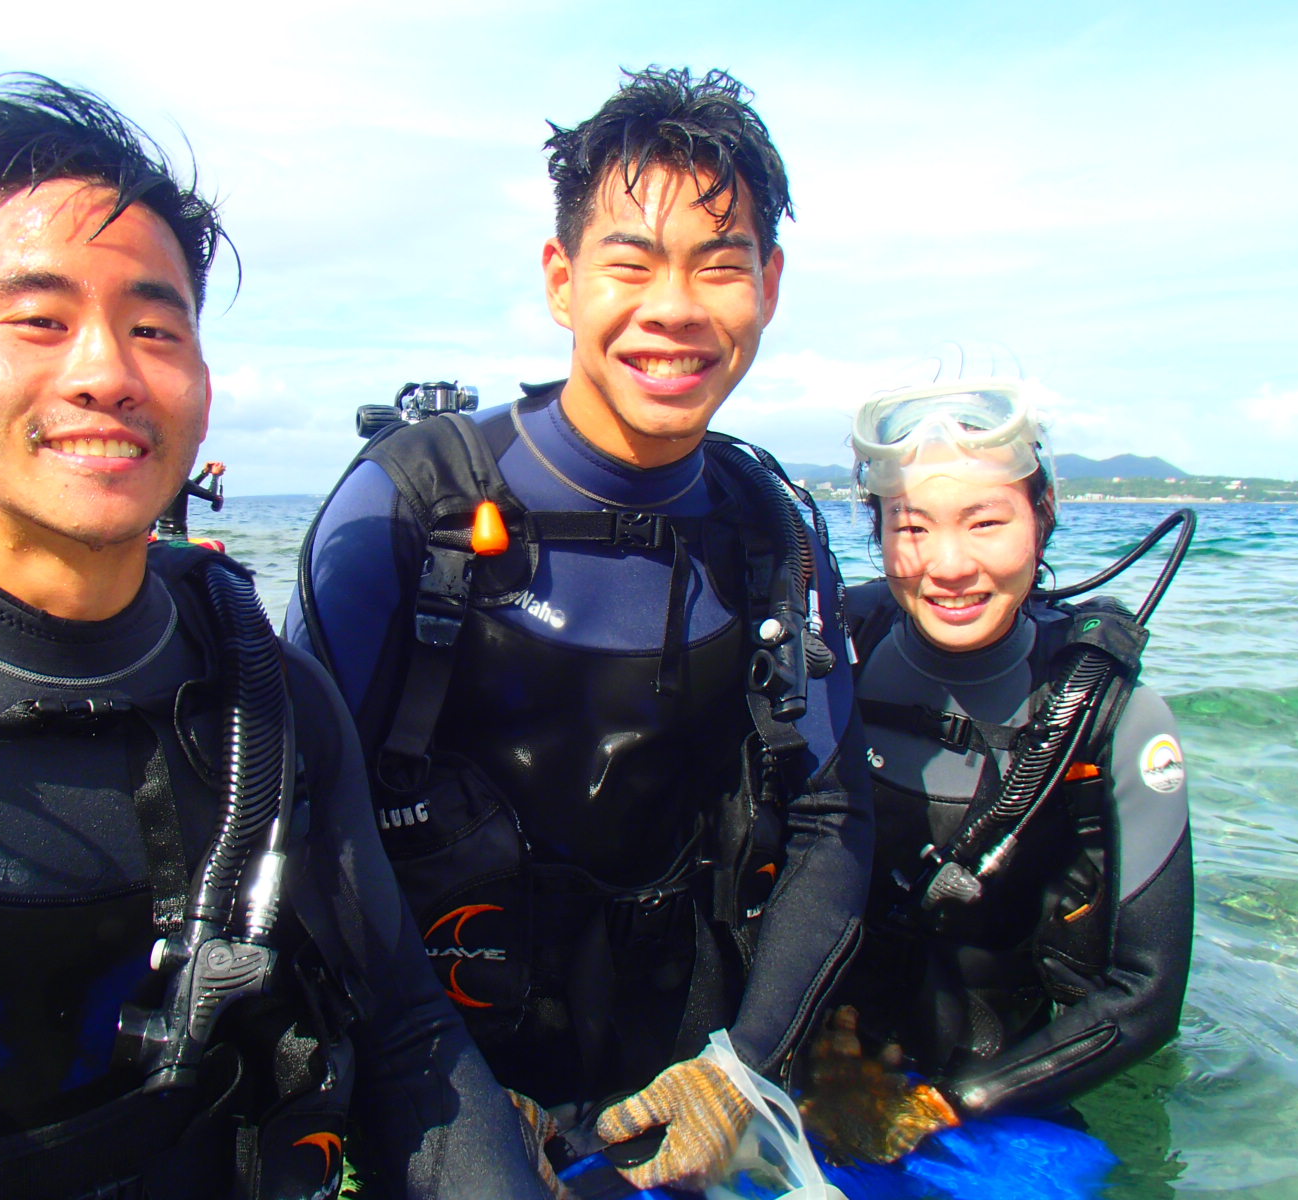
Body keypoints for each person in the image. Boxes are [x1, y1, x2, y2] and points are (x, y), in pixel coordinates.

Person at [0, 75, 549, 1199]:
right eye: (39, 321)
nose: (106, 372)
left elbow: (406, 1038)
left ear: (200, 379)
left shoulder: (272, 708)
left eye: (153, 329)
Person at [288, 67, 872, 1192]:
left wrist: (744, 1070)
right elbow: (296, 828)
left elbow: (832, 820)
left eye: (719, 265)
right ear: (562, 282)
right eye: (631, 263)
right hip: (438, 1091)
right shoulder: (411, 508)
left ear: (769, 286)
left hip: (680, 1102)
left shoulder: (768, 531)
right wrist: (439, 1102)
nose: (675, 308)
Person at [801, 377, 1194, 1164]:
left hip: (1003, 1094)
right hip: (819, 1059)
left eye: (986, 522)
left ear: (1042, 516)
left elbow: (1146, 999)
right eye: (912, 526)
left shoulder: (1114, 717)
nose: (949, 565)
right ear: (877, 530)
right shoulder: (835, 653)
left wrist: (939, 1108)